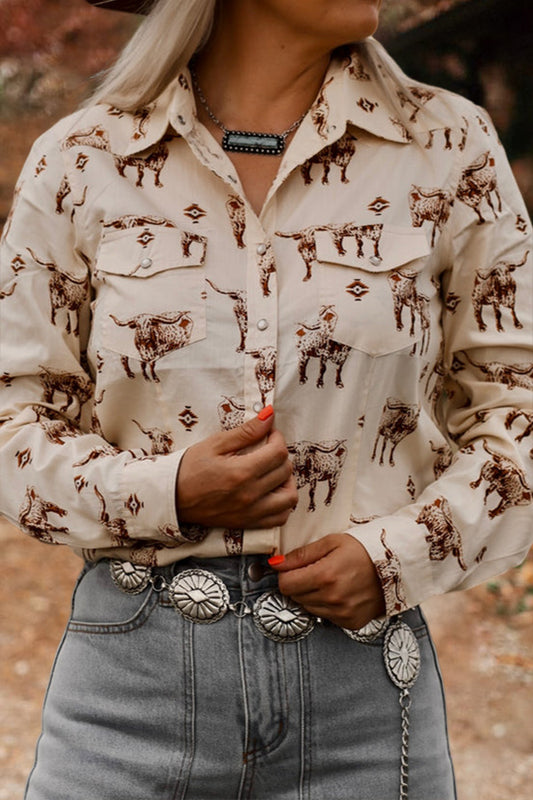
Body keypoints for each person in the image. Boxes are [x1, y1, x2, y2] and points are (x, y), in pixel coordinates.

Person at [0, 0, 531, 798]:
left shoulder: (446, 149)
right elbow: (14, 416)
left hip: (362, 702)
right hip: (124, 706)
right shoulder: (82, 159)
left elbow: (516, 409)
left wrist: (393, 558)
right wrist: (165, 492)